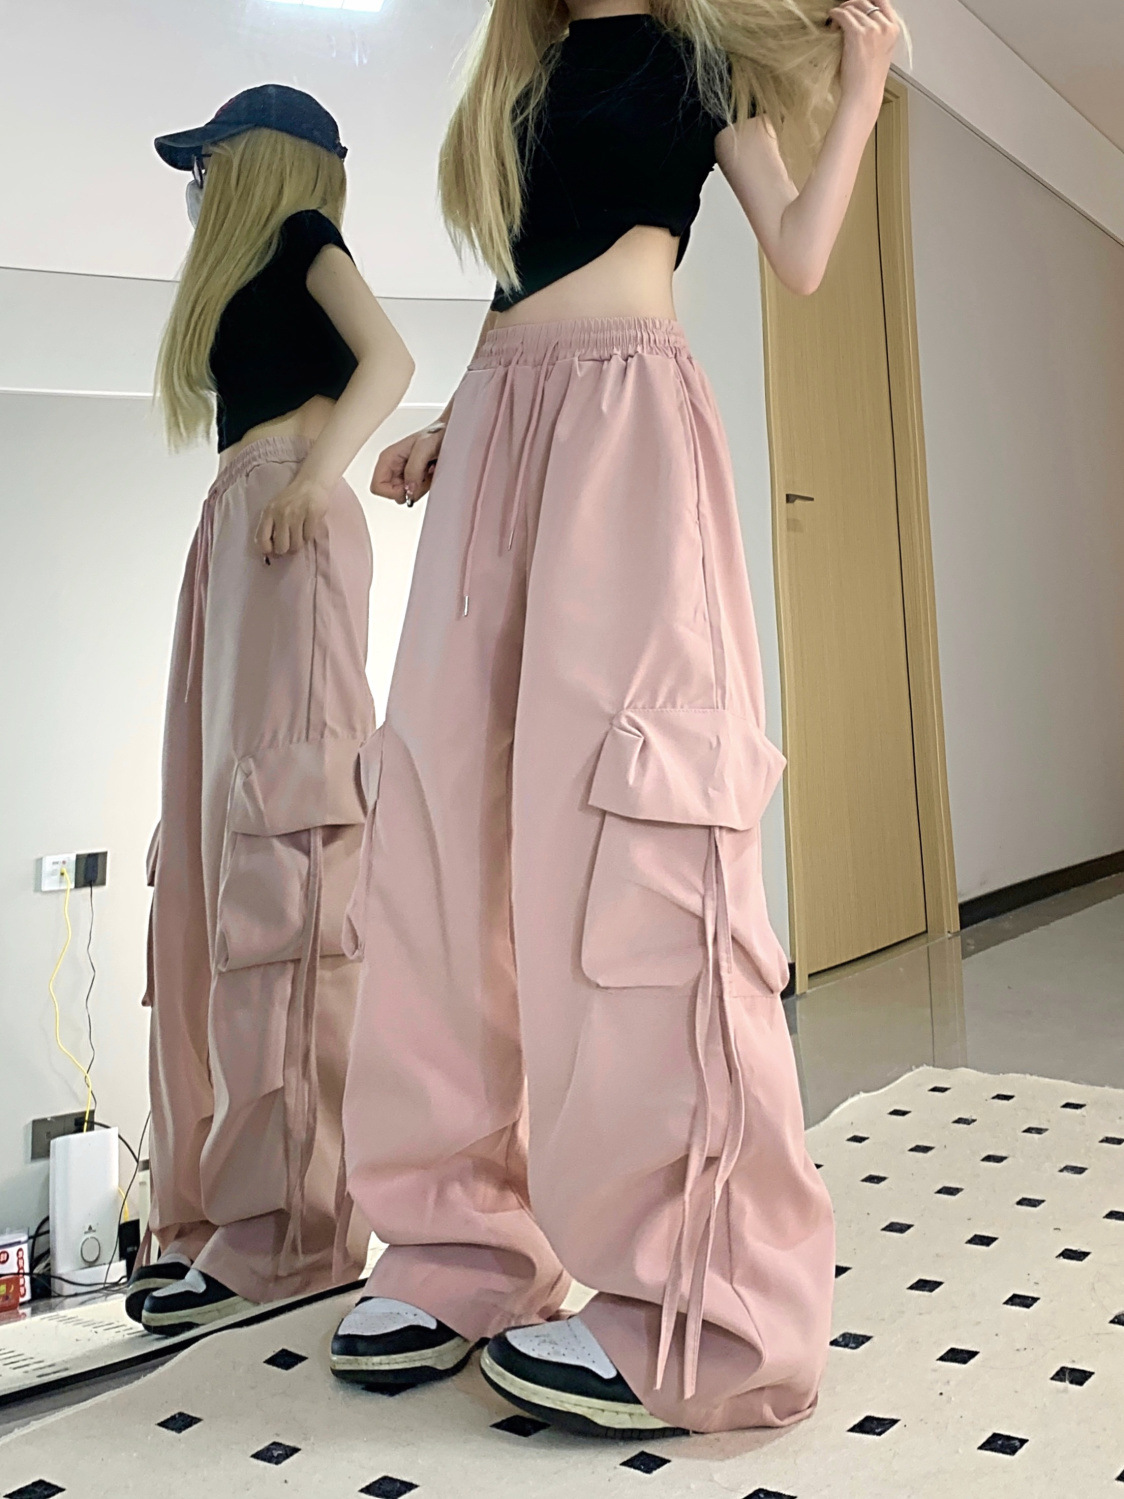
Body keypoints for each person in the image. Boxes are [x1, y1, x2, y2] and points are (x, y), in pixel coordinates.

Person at [333, 0, 900, 1436]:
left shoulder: (698, 60)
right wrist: (453, 422)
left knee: (644, 836)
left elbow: (801, 253)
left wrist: (865, 84)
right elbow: (518, 280)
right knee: (443, 833)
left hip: (626, 425)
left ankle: (708, 1302)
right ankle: (458, 1245)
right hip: (499, 431)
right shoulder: (522, 81)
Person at [127, 85, 414, 1335]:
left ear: (259, 162)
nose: (197, 189)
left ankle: (290, 1231)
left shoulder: (300, 235)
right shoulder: (258, 265)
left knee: (282, 855)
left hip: (287, 518)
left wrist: (315, 476)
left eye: (208, 164)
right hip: (242, 526)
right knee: (214, 853)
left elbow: (389, 358)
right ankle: (225, 1214)